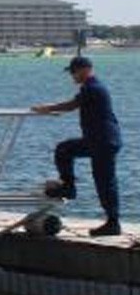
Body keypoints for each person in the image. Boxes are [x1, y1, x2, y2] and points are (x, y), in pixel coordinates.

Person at [33, 55, 123, 236]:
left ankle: (113, 223)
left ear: (85, 70)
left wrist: (47, 108)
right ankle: (69, 187)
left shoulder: (93, 88)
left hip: (103, 142)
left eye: (74, 72)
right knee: (64, 150)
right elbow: (74, 105)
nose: (72, 76)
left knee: (105, 182)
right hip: (97, 141)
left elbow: (71, 105)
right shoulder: (90, 87)